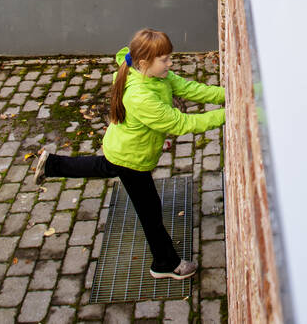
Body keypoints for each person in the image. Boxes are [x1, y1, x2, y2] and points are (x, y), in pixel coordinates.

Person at [32, 28, 225, 280]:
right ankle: (165, 264)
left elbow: (189, 89)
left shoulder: (155, 75)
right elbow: (180, 124)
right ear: (144, 62)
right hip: (132, 159)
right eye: (165, 59)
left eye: (169, 57)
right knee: (150, 211)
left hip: (122, 147)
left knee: (105, 167)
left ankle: (52, 165)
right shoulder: (141, 96)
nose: (170, 63)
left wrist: (227, 95)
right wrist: (228, 113)